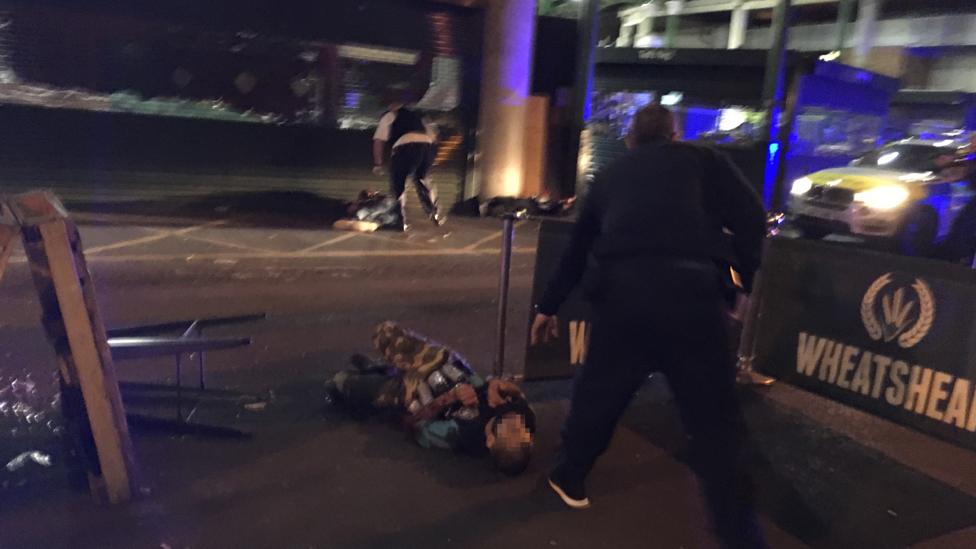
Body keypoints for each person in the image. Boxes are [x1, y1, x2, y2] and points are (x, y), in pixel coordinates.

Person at [530, 104, 767, 548]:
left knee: (599, 392)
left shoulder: (611, 175)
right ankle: (740, 535)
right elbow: (754, 218)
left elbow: (577, 251)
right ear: (675, 136)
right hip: (693, 296)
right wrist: (739, 281)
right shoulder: (705, 160)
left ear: (631, 139)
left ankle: (571, 475)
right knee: (716, 424)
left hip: (625, 297)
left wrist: (548, 306)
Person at [327, 322, 535, 476]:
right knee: (386, 332)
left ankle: (374, 376)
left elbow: (416, 425)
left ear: (490, 441)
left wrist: (450, 397)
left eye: (511, 428)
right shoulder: (523, 417)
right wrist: (497, 386)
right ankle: (384, 367)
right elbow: (514, 392)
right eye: (522, 428)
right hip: (443, 366)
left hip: (415, 392)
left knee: (340, 382)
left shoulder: (463, 434)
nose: (515, 420)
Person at [372, 92, 444, 231]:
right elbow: (436, 137)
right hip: (427, 147)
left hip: (405, 147)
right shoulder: (421, 116)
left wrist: (378, 163)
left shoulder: (389, 115)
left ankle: (400, 219)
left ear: (392, 105)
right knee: (423, 179)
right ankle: (434, 213)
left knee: (399, 182)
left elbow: (378, 141)